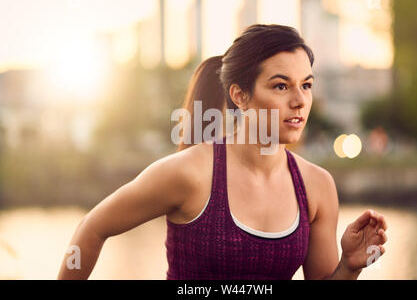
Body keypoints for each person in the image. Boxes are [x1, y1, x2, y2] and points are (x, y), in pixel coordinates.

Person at [57, 24, 388, 280]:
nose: (300, 100)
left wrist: (349, 266)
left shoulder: (317, 186)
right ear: (240, 96)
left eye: (307, 84)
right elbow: (92, 227)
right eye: (281, 85)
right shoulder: (189, 174)